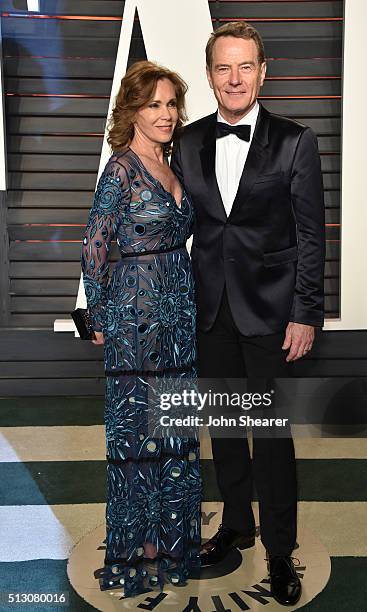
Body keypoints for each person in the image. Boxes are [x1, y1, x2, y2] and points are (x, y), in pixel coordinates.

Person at [171, 22, 325, 607]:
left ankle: (281, 551)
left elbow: (312, 237)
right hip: (209, 312)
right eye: (222, 68)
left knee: (271, 436)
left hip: (273, 314)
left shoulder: (294, 141)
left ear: (263, 72)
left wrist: (305, 313)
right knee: (227, 432)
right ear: (210, 75)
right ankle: (237, 523)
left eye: (245, 67)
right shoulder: (186, 141)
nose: (234, 79)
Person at [81, 60, 201, 599]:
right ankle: (136, 549)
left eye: (171, 103)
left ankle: (169, 544)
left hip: (178, 316)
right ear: (131, 110)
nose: (166, 114)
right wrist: (101, 319)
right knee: (137, 436)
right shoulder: (120, 170)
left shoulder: (174, 166)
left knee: (174, 432)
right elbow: (95, 248)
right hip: (135, 321)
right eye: (153, 104)